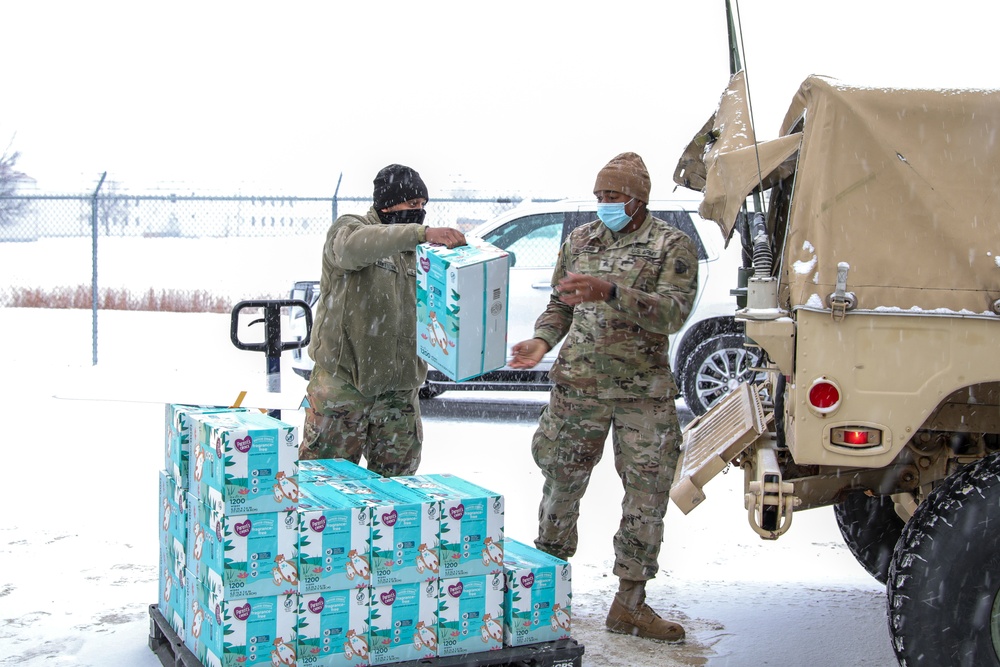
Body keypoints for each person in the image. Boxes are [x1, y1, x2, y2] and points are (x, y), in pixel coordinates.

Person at [509, 152, 698, 642]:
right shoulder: (579, 240)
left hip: (642, 393)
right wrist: (543, 340)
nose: (604, 206)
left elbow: (672, 315)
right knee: (561, 485)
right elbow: (560, 302)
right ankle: (543, 593)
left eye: (613, 197)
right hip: (579, 388)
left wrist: (610, 291)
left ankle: (629, 604)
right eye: (599, 197)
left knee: (647, 495)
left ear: (638, 200)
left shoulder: (670, 245)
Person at [300, 164, 466, 476]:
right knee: (322, 491)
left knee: (397, 494)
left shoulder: (422, 252)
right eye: (412, 205)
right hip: (345, 388)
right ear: (387, 205)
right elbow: (352, 248)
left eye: (423, 208)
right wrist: (420, 233)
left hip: (398, 394)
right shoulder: (350, 230)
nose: (419, 213)